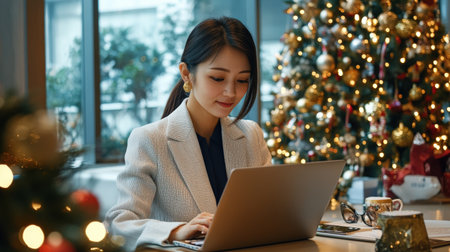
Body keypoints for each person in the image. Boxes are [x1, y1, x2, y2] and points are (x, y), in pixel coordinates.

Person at [104, 16, 272, 250]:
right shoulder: (149, 140)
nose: (231, 92)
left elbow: (270, 213)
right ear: (186, 74)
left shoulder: (251, 135)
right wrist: (175, 231)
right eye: (217, 78)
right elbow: (118, 224)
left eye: (242, 80)